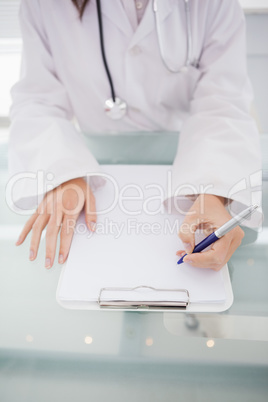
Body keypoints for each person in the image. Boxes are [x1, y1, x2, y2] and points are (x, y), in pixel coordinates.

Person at [9, 0, 261, 270]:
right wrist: (62, 173)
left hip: (191, 165)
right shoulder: (43, 6)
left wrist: (213, 191)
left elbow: (222, 103)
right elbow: (38, 100)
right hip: (93, 167)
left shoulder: (215, 4)